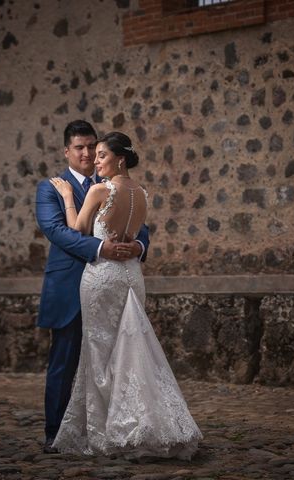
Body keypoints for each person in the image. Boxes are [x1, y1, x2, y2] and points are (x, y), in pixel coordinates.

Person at [49, 131, 202, 459]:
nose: (95, 161)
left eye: (101, 155)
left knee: (99, 352)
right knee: (132, 347)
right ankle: (142, 422)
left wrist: (66, 197)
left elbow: (76, 228)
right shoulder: (142, 192)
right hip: (131, 275)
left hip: (103, 276)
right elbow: (136, 235)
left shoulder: (99, 189)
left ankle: (108, 432)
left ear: (119, 159)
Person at [35, 120, 150, 454]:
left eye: (92, 147)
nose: (87, 154)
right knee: (65, 361)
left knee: (115, 359)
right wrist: (101, 248)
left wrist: (138, 248)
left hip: (108, 287)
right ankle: (57, 433)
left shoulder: (113, 184)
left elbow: (141, 228)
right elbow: (58, 231)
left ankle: (113, 428)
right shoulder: (51, 187)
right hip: (73, 286)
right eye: (80, 148)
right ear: (67, 151)